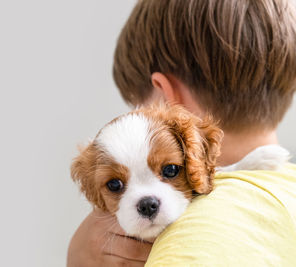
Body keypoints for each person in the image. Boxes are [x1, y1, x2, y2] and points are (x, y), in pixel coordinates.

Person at [67, 0, 296, 266]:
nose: (147, 201)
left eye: (170, 171)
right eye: (116, 186)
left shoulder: (192, 239)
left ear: (167, 98)